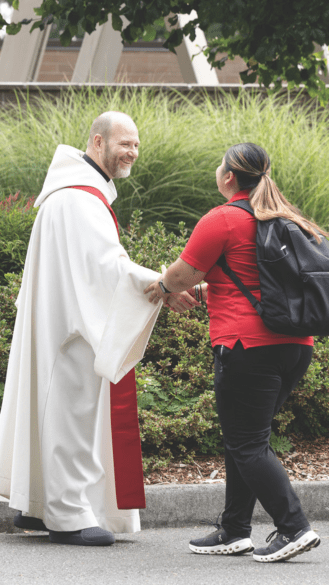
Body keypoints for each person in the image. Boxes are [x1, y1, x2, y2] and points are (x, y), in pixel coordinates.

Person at [0, 111, 198, 546]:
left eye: (136, 145)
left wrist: (161, 288)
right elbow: (108, 270)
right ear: (96, 142)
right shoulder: (78, 200)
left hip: (61, 322)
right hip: (71, 333)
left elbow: (100, 269)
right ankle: (67, 513)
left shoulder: (73, 194)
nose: (131, 152)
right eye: (124, 143)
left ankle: (39, 505)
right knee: (72, 410)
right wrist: (164, 287)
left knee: (56, 409)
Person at [144, 142, 325, 563]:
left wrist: (162, 290)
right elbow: (255, 279)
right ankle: (234, 529)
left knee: (246, 441)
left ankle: (293, 526)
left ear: (229, 177)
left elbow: (179, 273)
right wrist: (205, 291)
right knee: (245, 438)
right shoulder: (285, 216)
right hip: (296, 346)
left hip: (247, 346)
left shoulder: (223, 218)